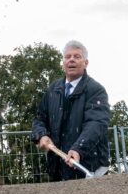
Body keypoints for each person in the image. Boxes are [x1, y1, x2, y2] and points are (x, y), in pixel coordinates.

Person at [32, 40, 111, 181]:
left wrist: (78, 149)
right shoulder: (53, 90)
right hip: (58, 169)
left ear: (86, 63)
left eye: (77, 56)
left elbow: (96, 124)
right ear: (63, 63)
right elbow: (40, 118)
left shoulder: (95, 90)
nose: (71, 60)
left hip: (87, 167)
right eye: (67, 57)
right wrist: (41, 135)